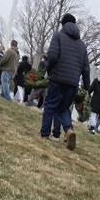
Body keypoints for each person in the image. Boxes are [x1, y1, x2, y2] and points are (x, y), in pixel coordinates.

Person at [40, 13, 90, 150]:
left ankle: (44, 134)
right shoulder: (82, 45)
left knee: (50, 105)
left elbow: (53, 56)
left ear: (63, 24)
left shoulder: (58, 36)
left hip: (57, 77)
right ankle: (69, 130)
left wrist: (49, 71)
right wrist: (86, 88)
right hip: (73, 82)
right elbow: (86, 69)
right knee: (64, 109)